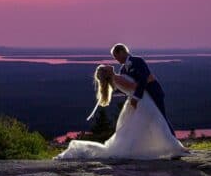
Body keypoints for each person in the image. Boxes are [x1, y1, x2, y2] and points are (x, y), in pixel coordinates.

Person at [54, 64, 188, 160]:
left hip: (140, 102)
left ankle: (171, 148)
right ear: (107, 73)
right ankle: (173, 149)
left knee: (150, 127)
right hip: (142, 103)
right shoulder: (116, 78)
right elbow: (135, 87)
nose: (108, 65)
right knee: (157, 124)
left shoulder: (116, 78)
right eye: (105, 67)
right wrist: (147, 79)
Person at [111, 43, 176, 136]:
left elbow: (143, 79)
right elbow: (127, 86)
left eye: (116, 56)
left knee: (161, 117)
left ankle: (173, 141)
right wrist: (112, 91)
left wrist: (136, 97)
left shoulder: (137, 61)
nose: (116, 59)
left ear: (122, 52)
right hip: (142, 99)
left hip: (153, 92)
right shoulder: (122, 70)